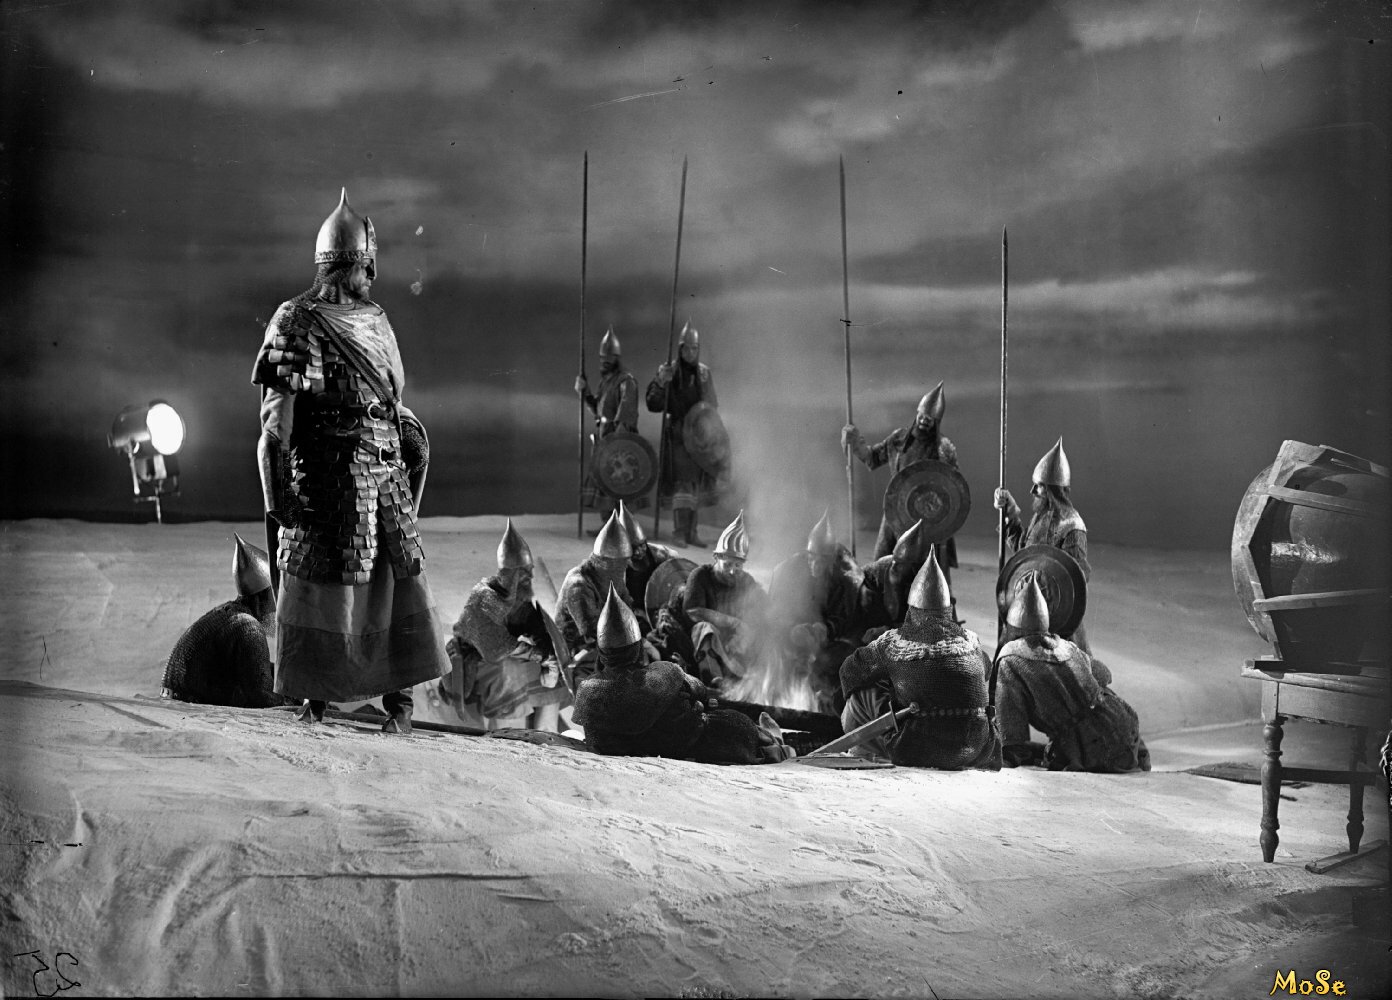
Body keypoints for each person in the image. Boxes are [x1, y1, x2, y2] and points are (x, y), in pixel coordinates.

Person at [252, 188, 450, 734]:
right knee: (324, 590)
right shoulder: (296, 319)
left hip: (386, 471)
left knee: (398, 582)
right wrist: (279, 497)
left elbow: (391, 396)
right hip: (327, 478)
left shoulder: (376, 319)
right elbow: (276, 422)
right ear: (350, 264)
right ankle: (315, 696)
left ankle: (400, 704)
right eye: (368, 265)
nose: (374, 276)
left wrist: (408, 435)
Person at [573, 586, 793, 763]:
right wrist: (686, 688)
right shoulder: (661, 673)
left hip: (648, 745)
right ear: (636, 647)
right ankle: (777, 746)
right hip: (683, 743)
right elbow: (699, 690)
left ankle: (770, 740)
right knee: (735, 725)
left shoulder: (587, 690)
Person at [838, 550, 1002, 770]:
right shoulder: (971, 641)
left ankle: (865, 751)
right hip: (976, 748)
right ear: (947, 608)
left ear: (912, 608)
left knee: (862, 692)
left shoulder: (894, 643)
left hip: (918, 750)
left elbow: (850, 670)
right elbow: (986, 672)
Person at [994, 575, 1149, 772]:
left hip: (1090, 746)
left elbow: (1012, 733)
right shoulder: (1066, 646)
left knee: (1049, 756)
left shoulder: (1010, 659)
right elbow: (1105, 675)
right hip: (1123, 724)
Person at [442, 519, 567, 732]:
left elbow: (536, 628)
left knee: (551, 673)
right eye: (524, 572)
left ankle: (546, 733)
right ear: (509, 573)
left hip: (503, 655)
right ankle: (507, 737)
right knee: (509, 673)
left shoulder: (519, 599)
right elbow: (495, 648)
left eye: (530, 570)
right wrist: (538, 655)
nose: (530, 576)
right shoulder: (484, 597)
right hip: (472, 657)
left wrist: (549, 655)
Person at [841, 381, 961, 569]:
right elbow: (872, 458)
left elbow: (953, 489)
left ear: (937, 421)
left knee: (923, 575)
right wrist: (855, 442)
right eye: (922, 415)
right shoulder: (898, 440)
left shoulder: (943, 449)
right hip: (894, 513)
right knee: (882, 568)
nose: (924, 420)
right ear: (917, 413)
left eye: (930, 418)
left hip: (925, 521)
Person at [993, 436, 1094, 651]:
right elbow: (1024, 553)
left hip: (1054, 619)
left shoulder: (1072, 526)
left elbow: (1076, 579)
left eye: (1039, 486)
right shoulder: (1041, 516)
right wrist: (1009, 512)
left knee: (1061, 663)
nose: (1033, 491)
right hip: (1027, 607)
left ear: (1051, 491)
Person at [161, 534, 280, 708]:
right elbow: (261, 696)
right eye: (273, 596)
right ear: (262, 597)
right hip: (190, 707)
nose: (276, 605)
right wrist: (295, 700)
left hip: (175, 698)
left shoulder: (227, 614)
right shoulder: (249, 627)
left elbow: (253, 667)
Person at [768, 510, 864, 715]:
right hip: (793, 635)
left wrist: (827, 629)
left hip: (830, 643)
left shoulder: (847, 577)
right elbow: (775, 612)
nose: (816, 564)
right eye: (812, 557)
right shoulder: (787, 571)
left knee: (845, 657)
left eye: (823, 560)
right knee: (773, 646)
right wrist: (792, 629)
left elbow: (850, 619)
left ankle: (826, 699)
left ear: (832, 559)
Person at [666, 511, 773, 690]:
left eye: (738, 565)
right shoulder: (700, 575)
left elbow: (762, 613)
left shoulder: (746, 581)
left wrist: (748, 632)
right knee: (704, 628)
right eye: (728, 564)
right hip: (705, 642)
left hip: (736, 644)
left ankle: (755, 683)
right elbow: (693, 612)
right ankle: (713, 678)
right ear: (717, 558)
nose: (733, 570)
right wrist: (733, 623)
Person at [646, 322, 722, 547]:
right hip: (678, 437)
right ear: (680, 349)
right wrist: (661, 382)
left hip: (698, 437)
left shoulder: (704, 373)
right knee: (682, 485)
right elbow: (653, 403)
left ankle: (692, 532)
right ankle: (679, 532)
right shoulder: (669, 371)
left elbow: (711, 405)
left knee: (695, 485)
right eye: (686, 348)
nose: (690, 352)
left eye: (694, 348)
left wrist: (709, 428)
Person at [557, 509, 636, 686]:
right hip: (578, 648)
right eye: (621, 563)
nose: (624, 568)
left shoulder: (613, 578)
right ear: (605, 562)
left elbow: (627, 612)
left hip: (606, 642)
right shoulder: (578, 585)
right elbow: (592, 632)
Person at [575, 326, 641, 525]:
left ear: (616, 358)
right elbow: (598, 410)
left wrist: (618, 438)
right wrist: (585, 392)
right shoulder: (606, 382)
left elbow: (627, 408)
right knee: (604, 484)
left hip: (618, 440)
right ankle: (608, 529)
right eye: (602, 357)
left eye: (609, 357)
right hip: (604, 437)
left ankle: (621, 529)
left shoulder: (626, 381)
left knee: (618, 483)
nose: (605, 361)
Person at [855, 518, 930, 643]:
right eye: (895, 561)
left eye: (901, 564)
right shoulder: (879, 569)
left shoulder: (925, 583)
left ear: (914, 567)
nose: (895, 566)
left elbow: (926, 623)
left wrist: (891, 630)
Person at [615, 499, 679, 631]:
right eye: (633, 548)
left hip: (661, 607)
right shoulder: (615, 565)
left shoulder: (663, 555)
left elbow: (677, 581)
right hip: (632, 611)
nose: (639, 551)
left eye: (642, 545)